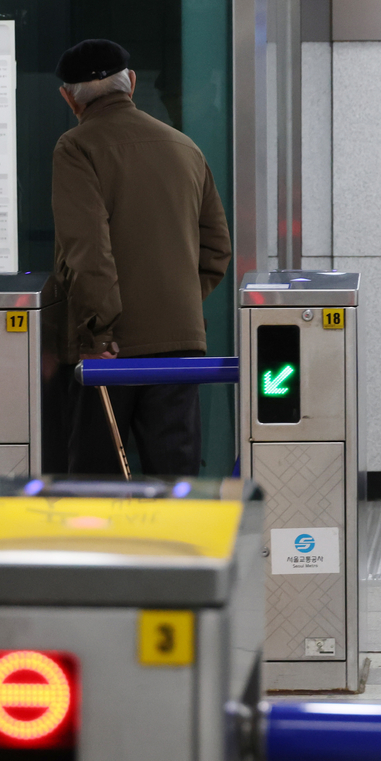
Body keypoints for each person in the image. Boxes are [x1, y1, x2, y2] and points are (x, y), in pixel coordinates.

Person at [51, 38, 230, 476]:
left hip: (109, 350)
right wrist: (176, 306)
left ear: (68, 98)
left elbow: (87, 250)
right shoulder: (184, 147)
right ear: (130, 82)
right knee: (176, 475)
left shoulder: (76, 146)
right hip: (180, 344)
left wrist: (98, 334)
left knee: (99, 481)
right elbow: (216, 247)